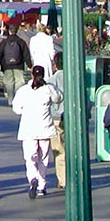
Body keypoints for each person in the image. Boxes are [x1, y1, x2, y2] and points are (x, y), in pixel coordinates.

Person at [12, 65, 62, 199]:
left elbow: (16, 108)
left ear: (32, 74)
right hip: (45, 127)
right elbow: (59, 98)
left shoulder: (24, 90)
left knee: (30, 157)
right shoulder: (48, 89)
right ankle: (42, 185)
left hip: (28, 128)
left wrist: (26, 112)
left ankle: (32, 178)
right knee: (43, 157)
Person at [45, 53, 66, 189]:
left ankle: (63, 179)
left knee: (59, 150)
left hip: (56, 118)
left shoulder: (51, 81)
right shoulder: (77, 78)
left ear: (55, 64)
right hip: (73, 117)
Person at [0, 24, 28, 106]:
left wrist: (1, 63)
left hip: (7, 65)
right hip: (19, 65)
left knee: (9, 83)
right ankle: (18, 99)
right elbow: (26, 54)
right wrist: (29, 64)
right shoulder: (21, 42)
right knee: (19, 82)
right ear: (16, 31)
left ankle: (10, 100)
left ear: (9, 31)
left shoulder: (4, 42)